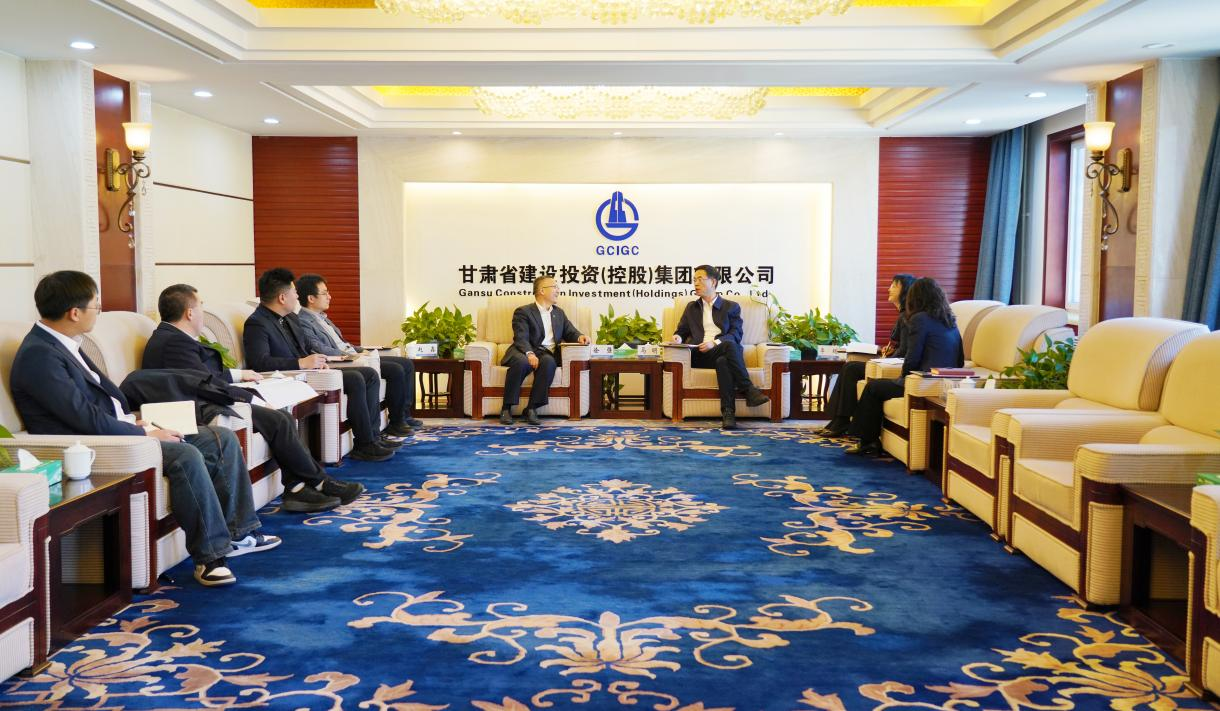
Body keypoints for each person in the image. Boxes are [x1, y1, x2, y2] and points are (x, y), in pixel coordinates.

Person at [10, 271, 279, 587]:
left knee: (220, 437)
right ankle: (210, 557)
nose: (99, 311)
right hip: (93, 444)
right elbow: (82, 417)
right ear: (74, 313)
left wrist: (132, 421)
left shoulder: (64, 344)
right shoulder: (40, 355)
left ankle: (240, 533)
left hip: (119, 429)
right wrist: (143, 434)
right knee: (185, 454)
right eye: (96, 305)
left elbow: (100, 401)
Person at [142, 283, 364, 513]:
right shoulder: (174, 343)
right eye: (201, 305)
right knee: (278, 419)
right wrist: (251, 399)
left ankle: (298, 487)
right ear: (190, 313)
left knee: (280, 416)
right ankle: (318, 483)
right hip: (198, 408)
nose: (202, 312)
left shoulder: (172, 337)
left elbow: (202, 376)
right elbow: (205, 385)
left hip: (205, 399)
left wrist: (239, 375)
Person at [243, 268, 399, 462]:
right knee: (356, 378)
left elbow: (305, 348)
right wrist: (301, 363)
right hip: (289, 376)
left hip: (309, 371)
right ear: (282, 298)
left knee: (368, 374)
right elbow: (259, 362)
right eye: (294, 292)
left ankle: (373, 437)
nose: (297, 296)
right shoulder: (257, 323)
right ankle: (364, 445)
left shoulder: (290, 318)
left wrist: (318, 360)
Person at [845, 277, 964, 456]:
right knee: (878, 387)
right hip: (946, 383)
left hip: (922, 382)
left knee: (873, 387)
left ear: (915, 297)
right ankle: (868, 439)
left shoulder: (919, 319)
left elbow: (912, 356)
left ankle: (867, 442)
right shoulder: (949, 321)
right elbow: (960, 359)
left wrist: (903, 377)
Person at [295, 274, 423, 436]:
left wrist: (361, 350)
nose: (330, 296)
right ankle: (396, 422)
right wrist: (353, 356)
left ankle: (404, 415)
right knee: (395, 369)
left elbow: (342, 343)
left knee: (406, 363)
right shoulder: (303, 321)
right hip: (345, 361)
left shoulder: (322, 318)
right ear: (311, 298)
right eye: (325, 293)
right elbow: (319, 348)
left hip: (354, 356)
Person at [816, 273, 916, 437]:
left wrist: (885, 360)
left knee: (851, 369)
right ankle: (838, 420)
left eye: (894, 286)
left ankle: (841, 421)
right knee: (849, 367)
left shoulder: (907, 317)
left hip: (895, 368)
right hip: (890, 363)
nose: (889, 289)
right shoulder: (904, 315)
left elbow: (904, 351)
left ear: (905, 290)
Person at [671, 265, 769, 430]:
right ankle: (748, 389)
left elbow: (736, 334)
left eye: (700, 279)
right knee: (728, 347)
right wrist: (678, 337)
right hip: (700, 354)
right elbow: (681, 331)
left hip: (724, 352)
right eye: (694, 280)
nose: (696, 283)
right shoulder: (691, 307)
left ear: (713, 282)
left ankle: (728, 414)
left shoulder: (731, 307)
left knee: (724, 360)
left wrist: (715, 343)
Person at [500, 275, 589, 425]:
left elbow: (570, 332)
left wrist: (580, 336)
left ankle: (531, 409)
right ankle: (506, 408)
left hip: (545, 353)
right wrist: (529, 354)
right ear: (542, 290)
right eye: (555, 287)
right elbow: (521, 337)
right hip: (523, 350)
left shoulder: (559, 313)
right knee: (522, 363)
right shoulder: (523, 311)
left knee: (549, 363)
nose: (558, 290)